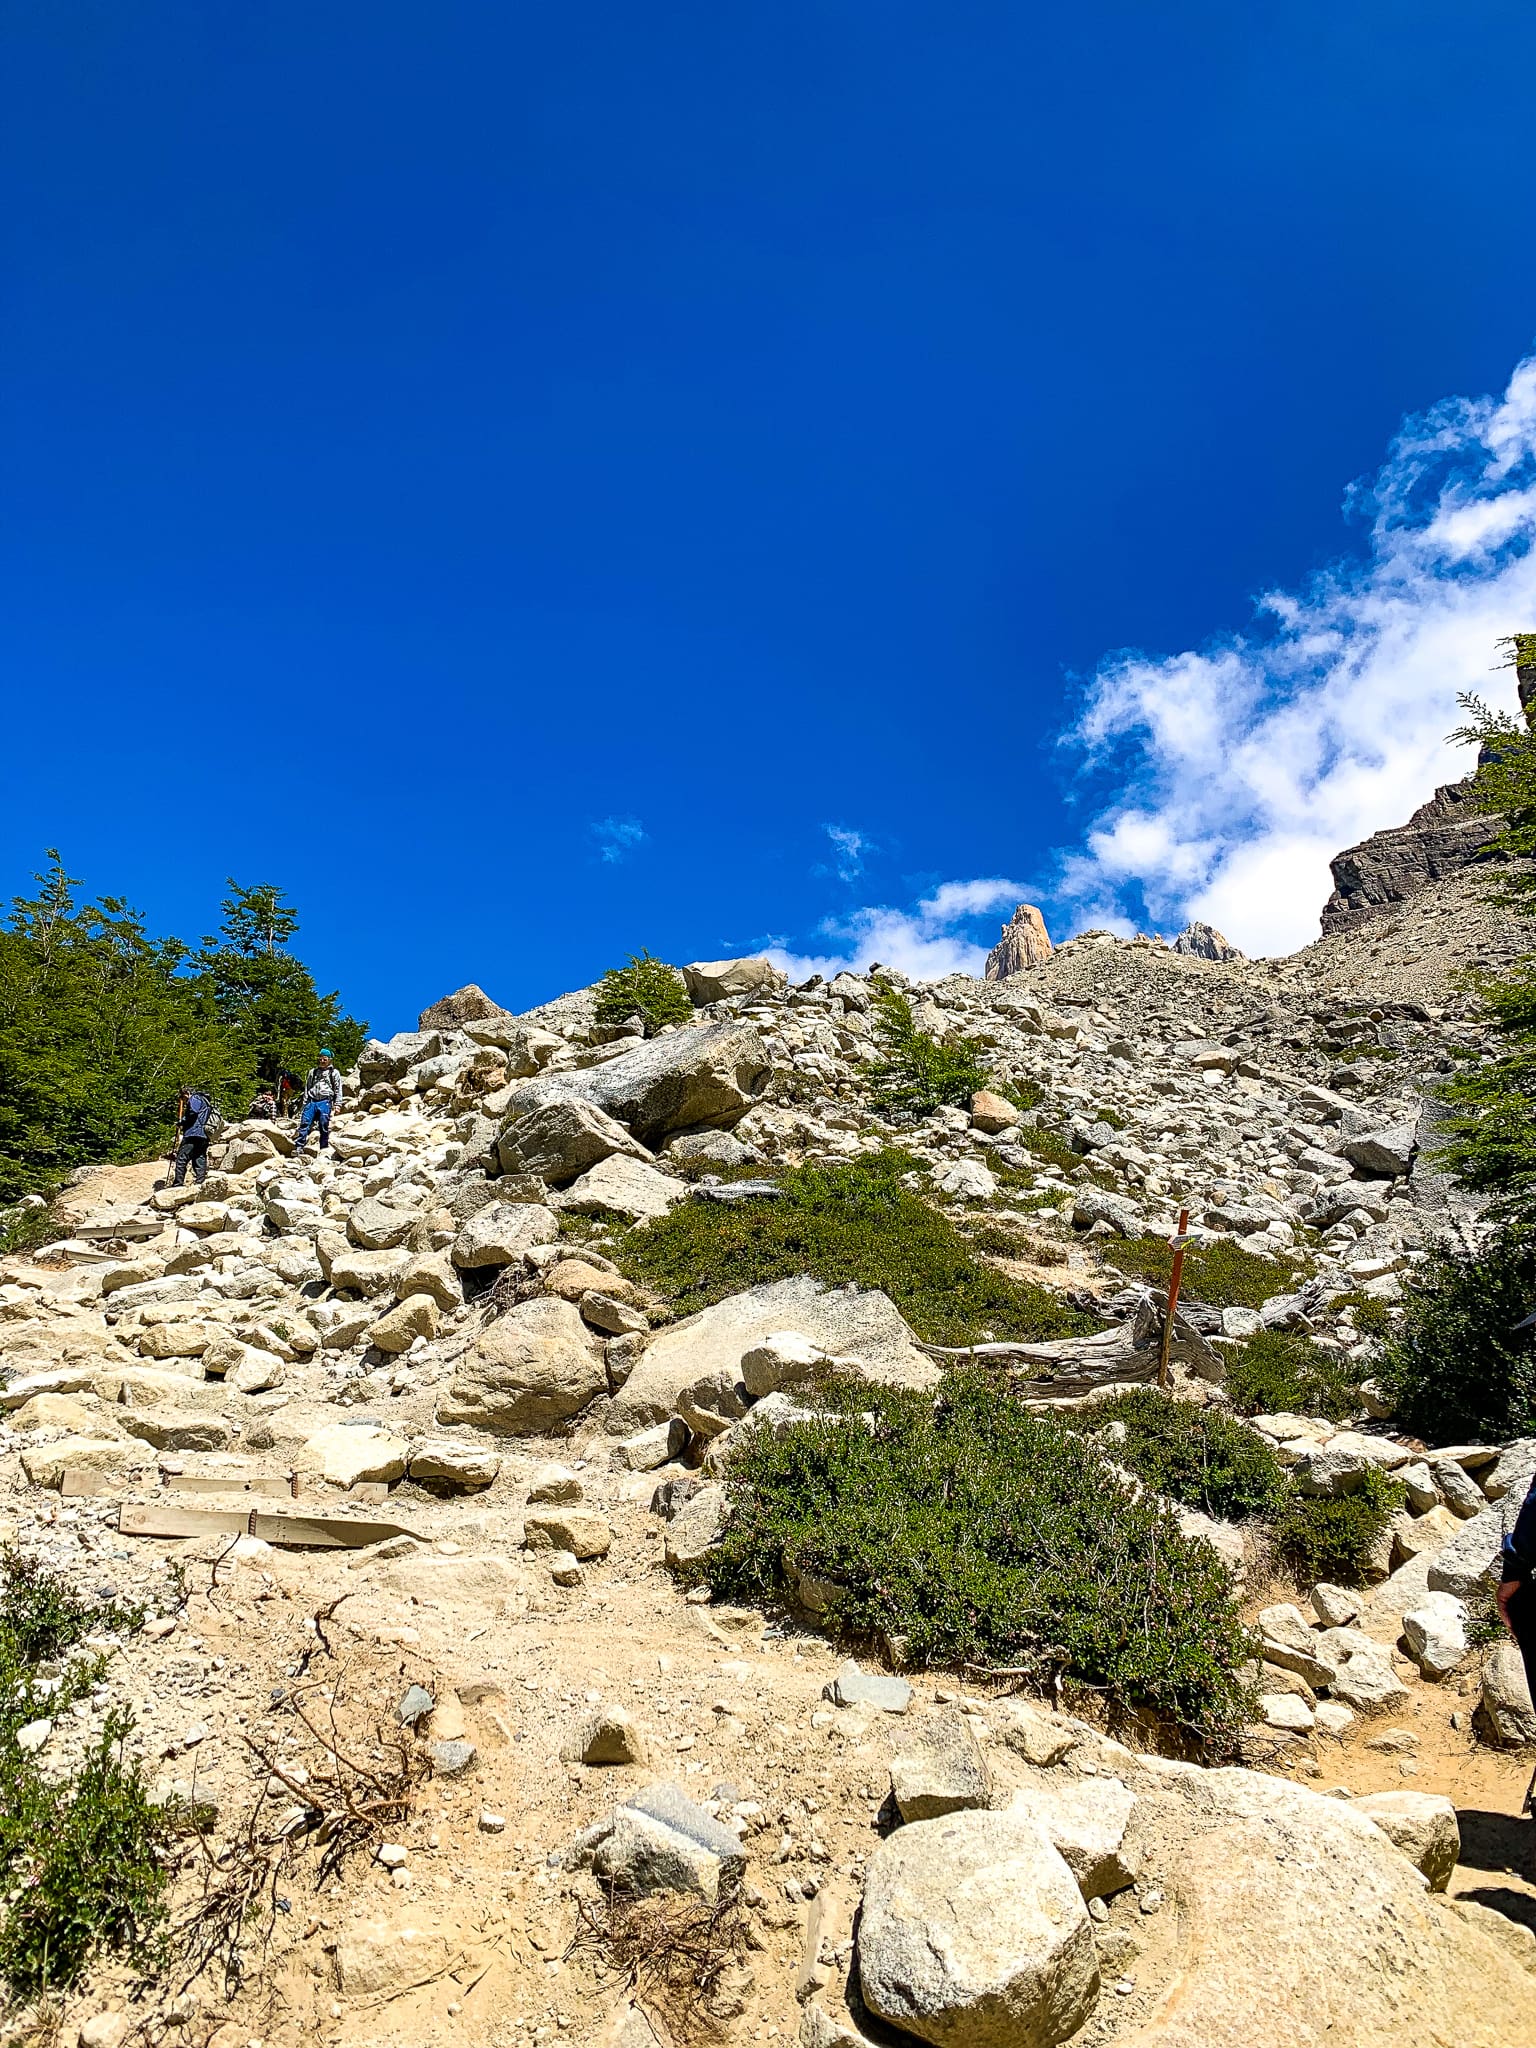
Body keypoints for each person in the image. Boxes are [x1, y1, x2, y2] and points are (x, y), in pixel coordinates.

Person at [293, 1049, 343, 1158]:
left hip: (325, 1101)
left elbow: (338, 1090)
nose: (322, 1061)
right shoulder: (313, 1072)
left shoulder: (334, 1073)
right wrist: (304, 1104)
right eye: (320, 1058)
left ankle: (323, 1147)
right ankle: (298, 1147)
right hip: (311, 1100)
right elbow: (307, 1088)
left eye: (324, 1059)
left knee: (323, 1124)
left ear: (329, 1060)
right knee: (305, 1122)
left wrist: (338, 1104)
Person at [172, 1086, 215, 1186]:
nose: (185, 1100)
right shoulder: (206, 1101)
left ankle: (178, 1184)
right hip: (204, 1134)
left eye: (183, 1097)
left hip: (193, 1133)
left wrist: (182, 1122)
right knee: (199, 1158)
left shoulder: (195, 1098)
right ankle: (200, 1182)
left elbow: (193, 1112)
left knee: (181, 1158)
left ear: (186, 1093)